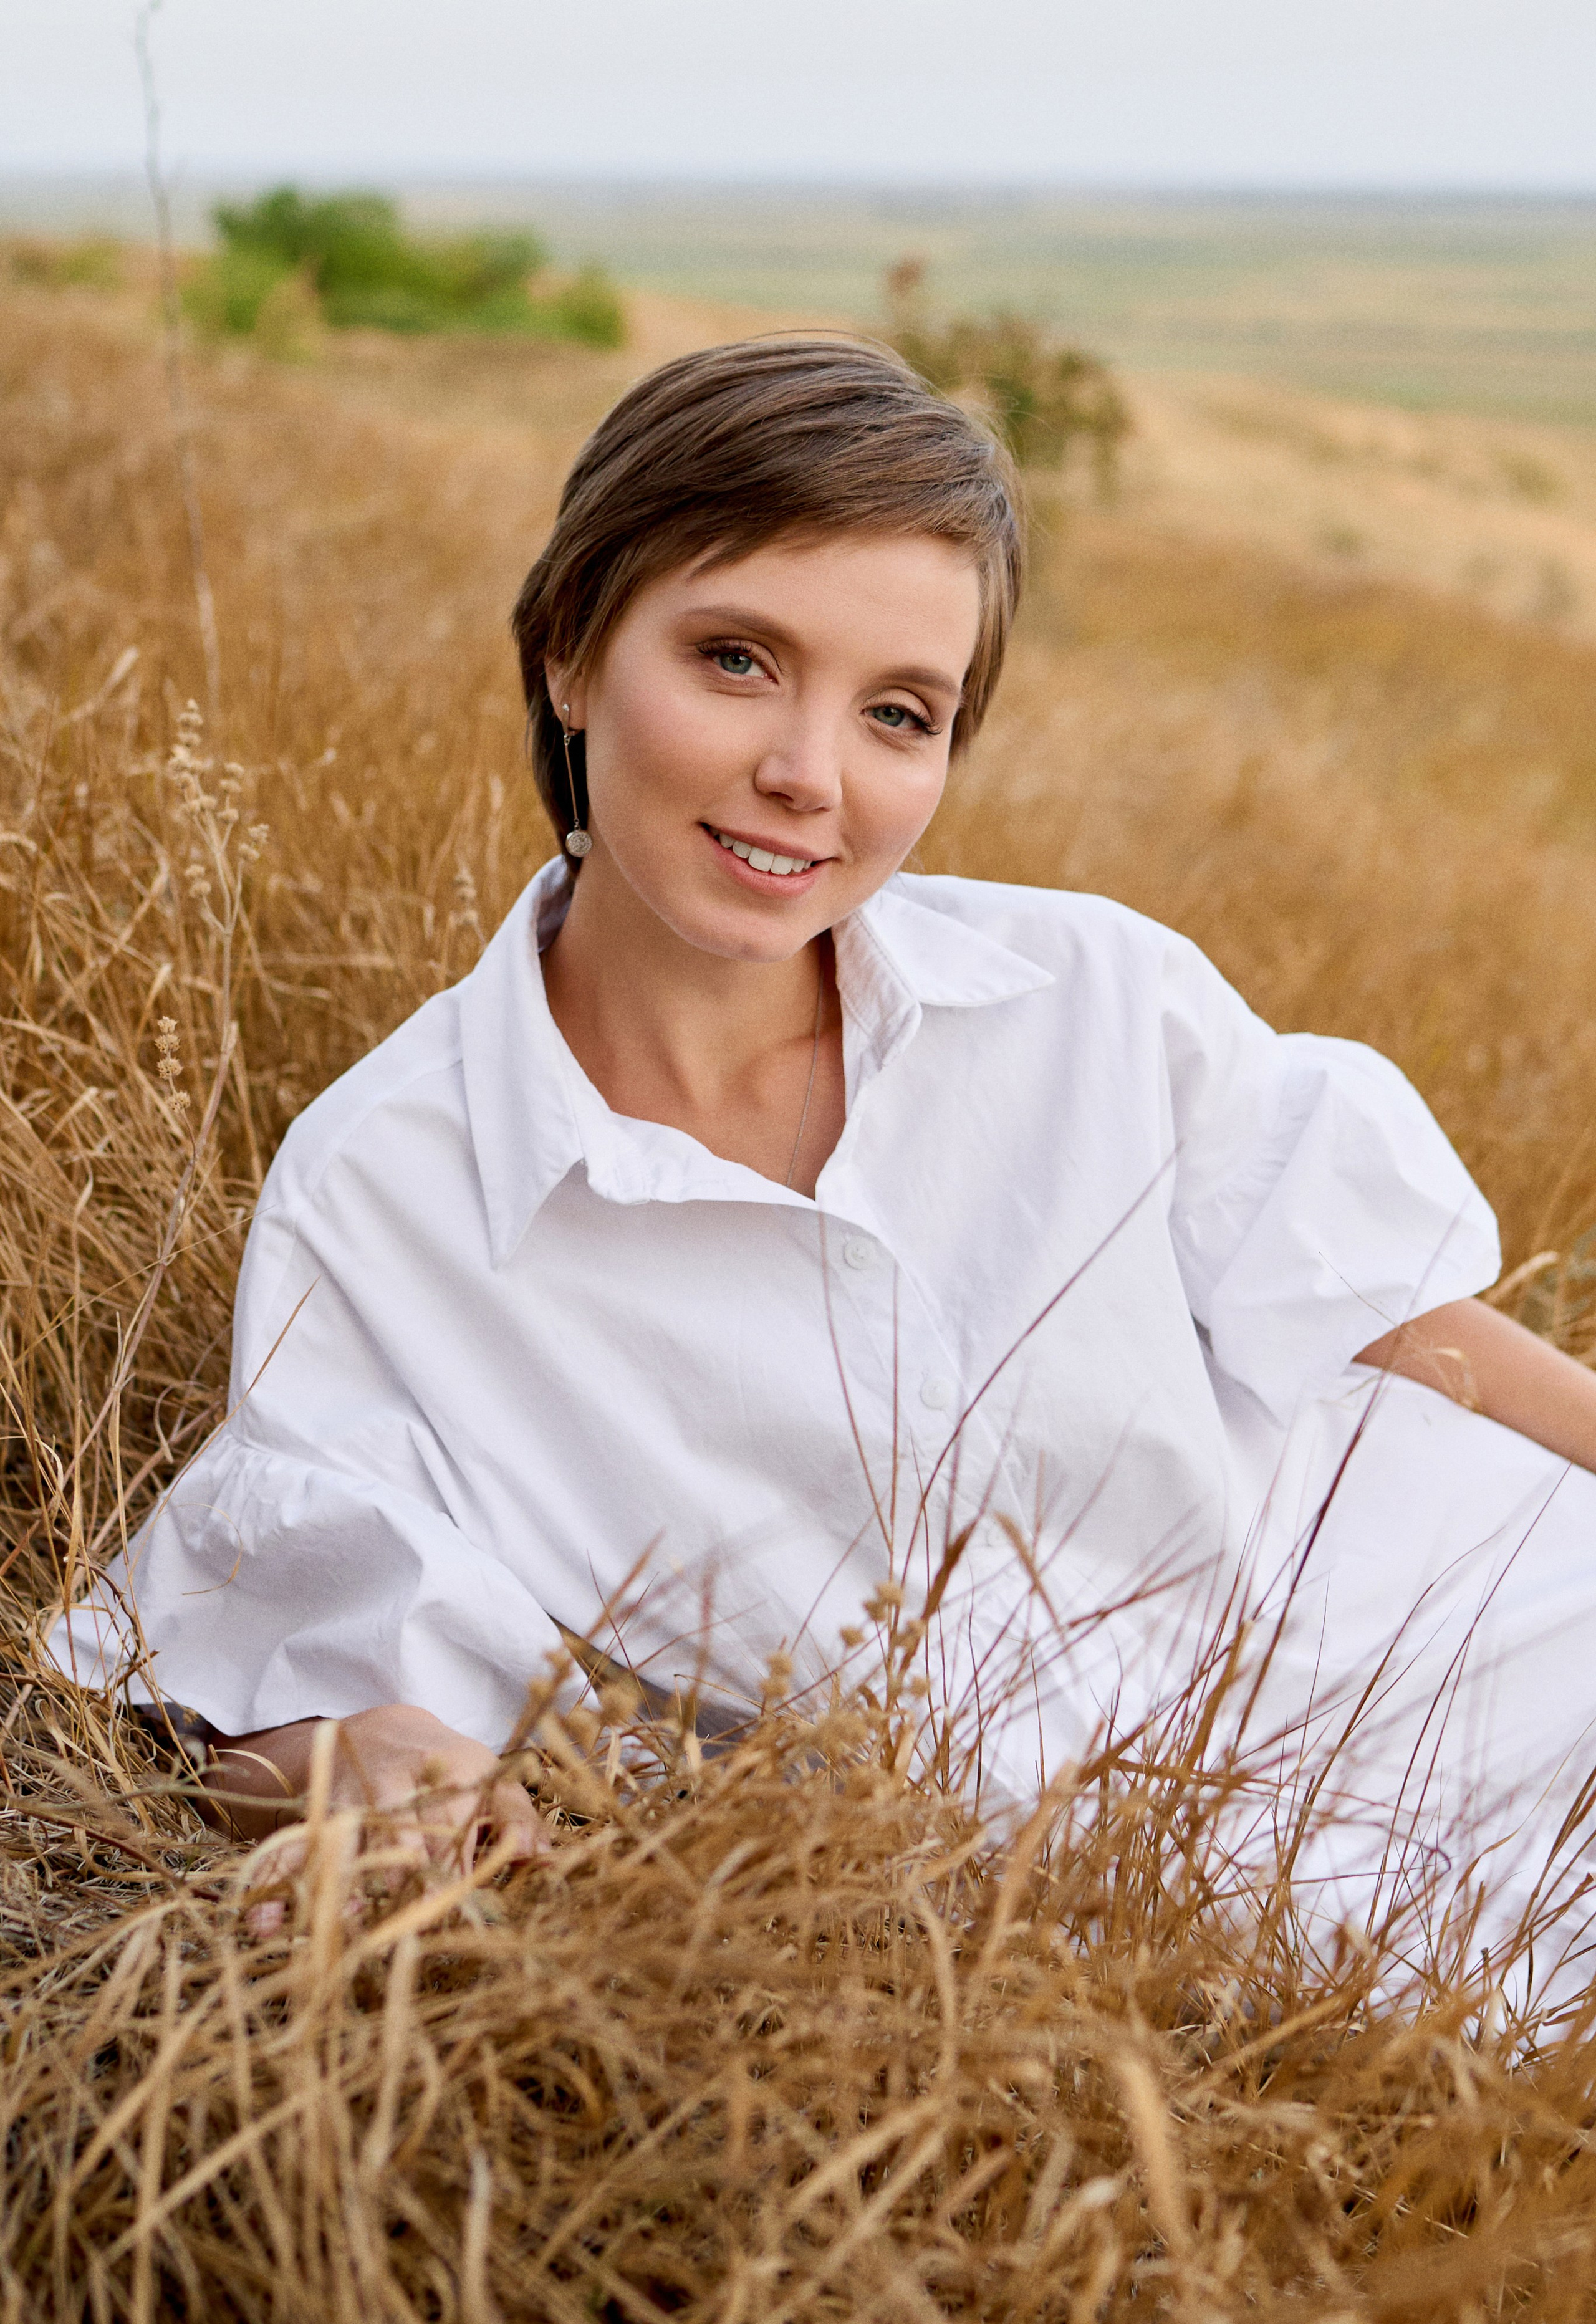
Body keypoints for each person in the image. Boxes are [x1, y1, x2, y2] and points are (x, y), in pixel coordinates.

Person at [52, 339, 1596, 1985]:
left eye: (899, 715)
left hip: (1456, 1637)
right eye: (735, 659)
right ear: (571, 651)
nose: (811, 773)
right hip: (1119, 1897)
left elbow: (1379, 1315)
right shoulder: (395, 1183)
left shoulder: (1090, 997)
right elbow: (301, 1629)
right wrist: (363, 1784)